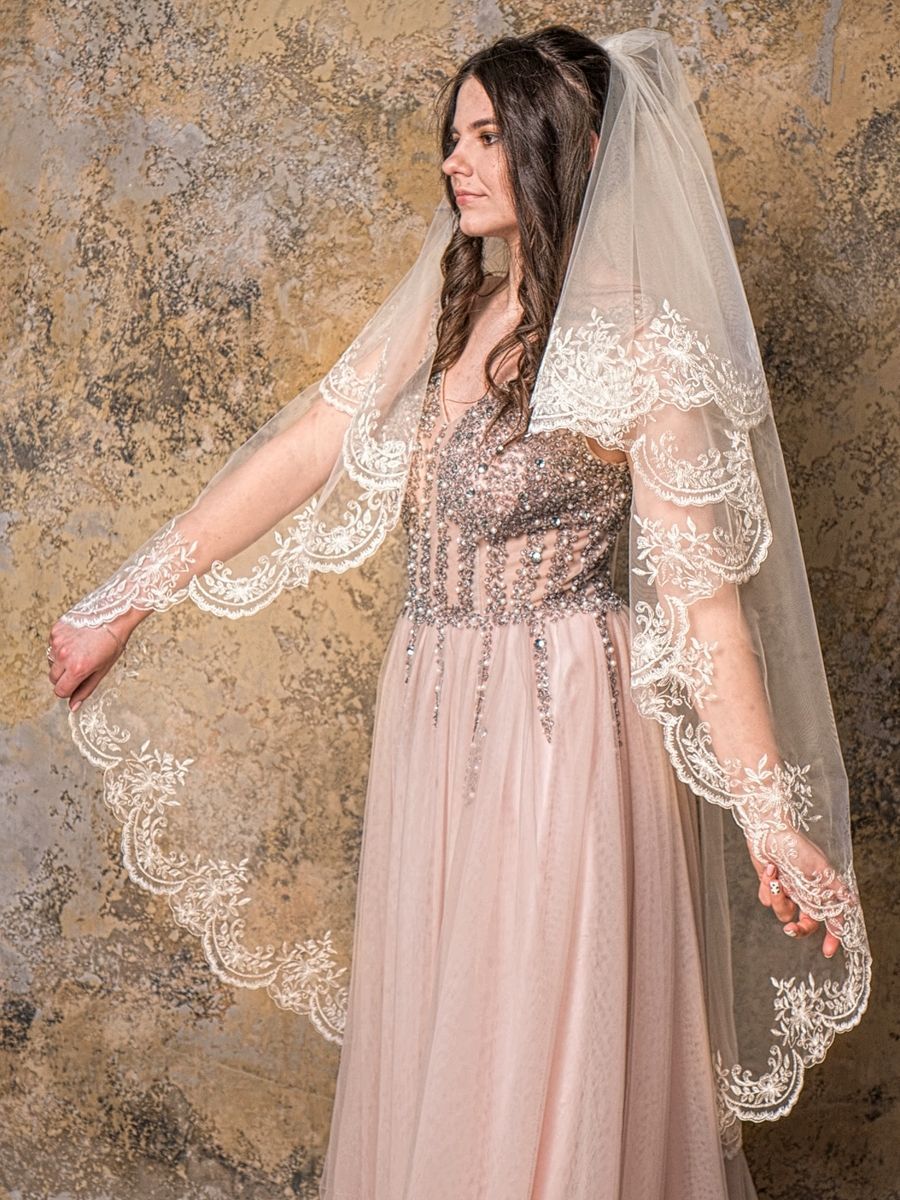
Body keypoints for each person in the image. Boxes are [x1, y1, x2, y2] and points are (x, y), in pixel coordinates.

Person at [46, 25, 871, 1200]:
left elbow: (708, 612)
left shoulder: (645, 345)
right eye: (455, 136)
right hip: (434, 729)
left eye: (488, 136)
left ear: (570, 148)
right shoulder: (462, 308)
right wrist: (123, 602)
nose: (455, 161)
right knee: (451, 1053)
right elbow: (308, 448)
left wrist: (770, 823)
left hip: (562, 739)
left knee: (539, 1055)